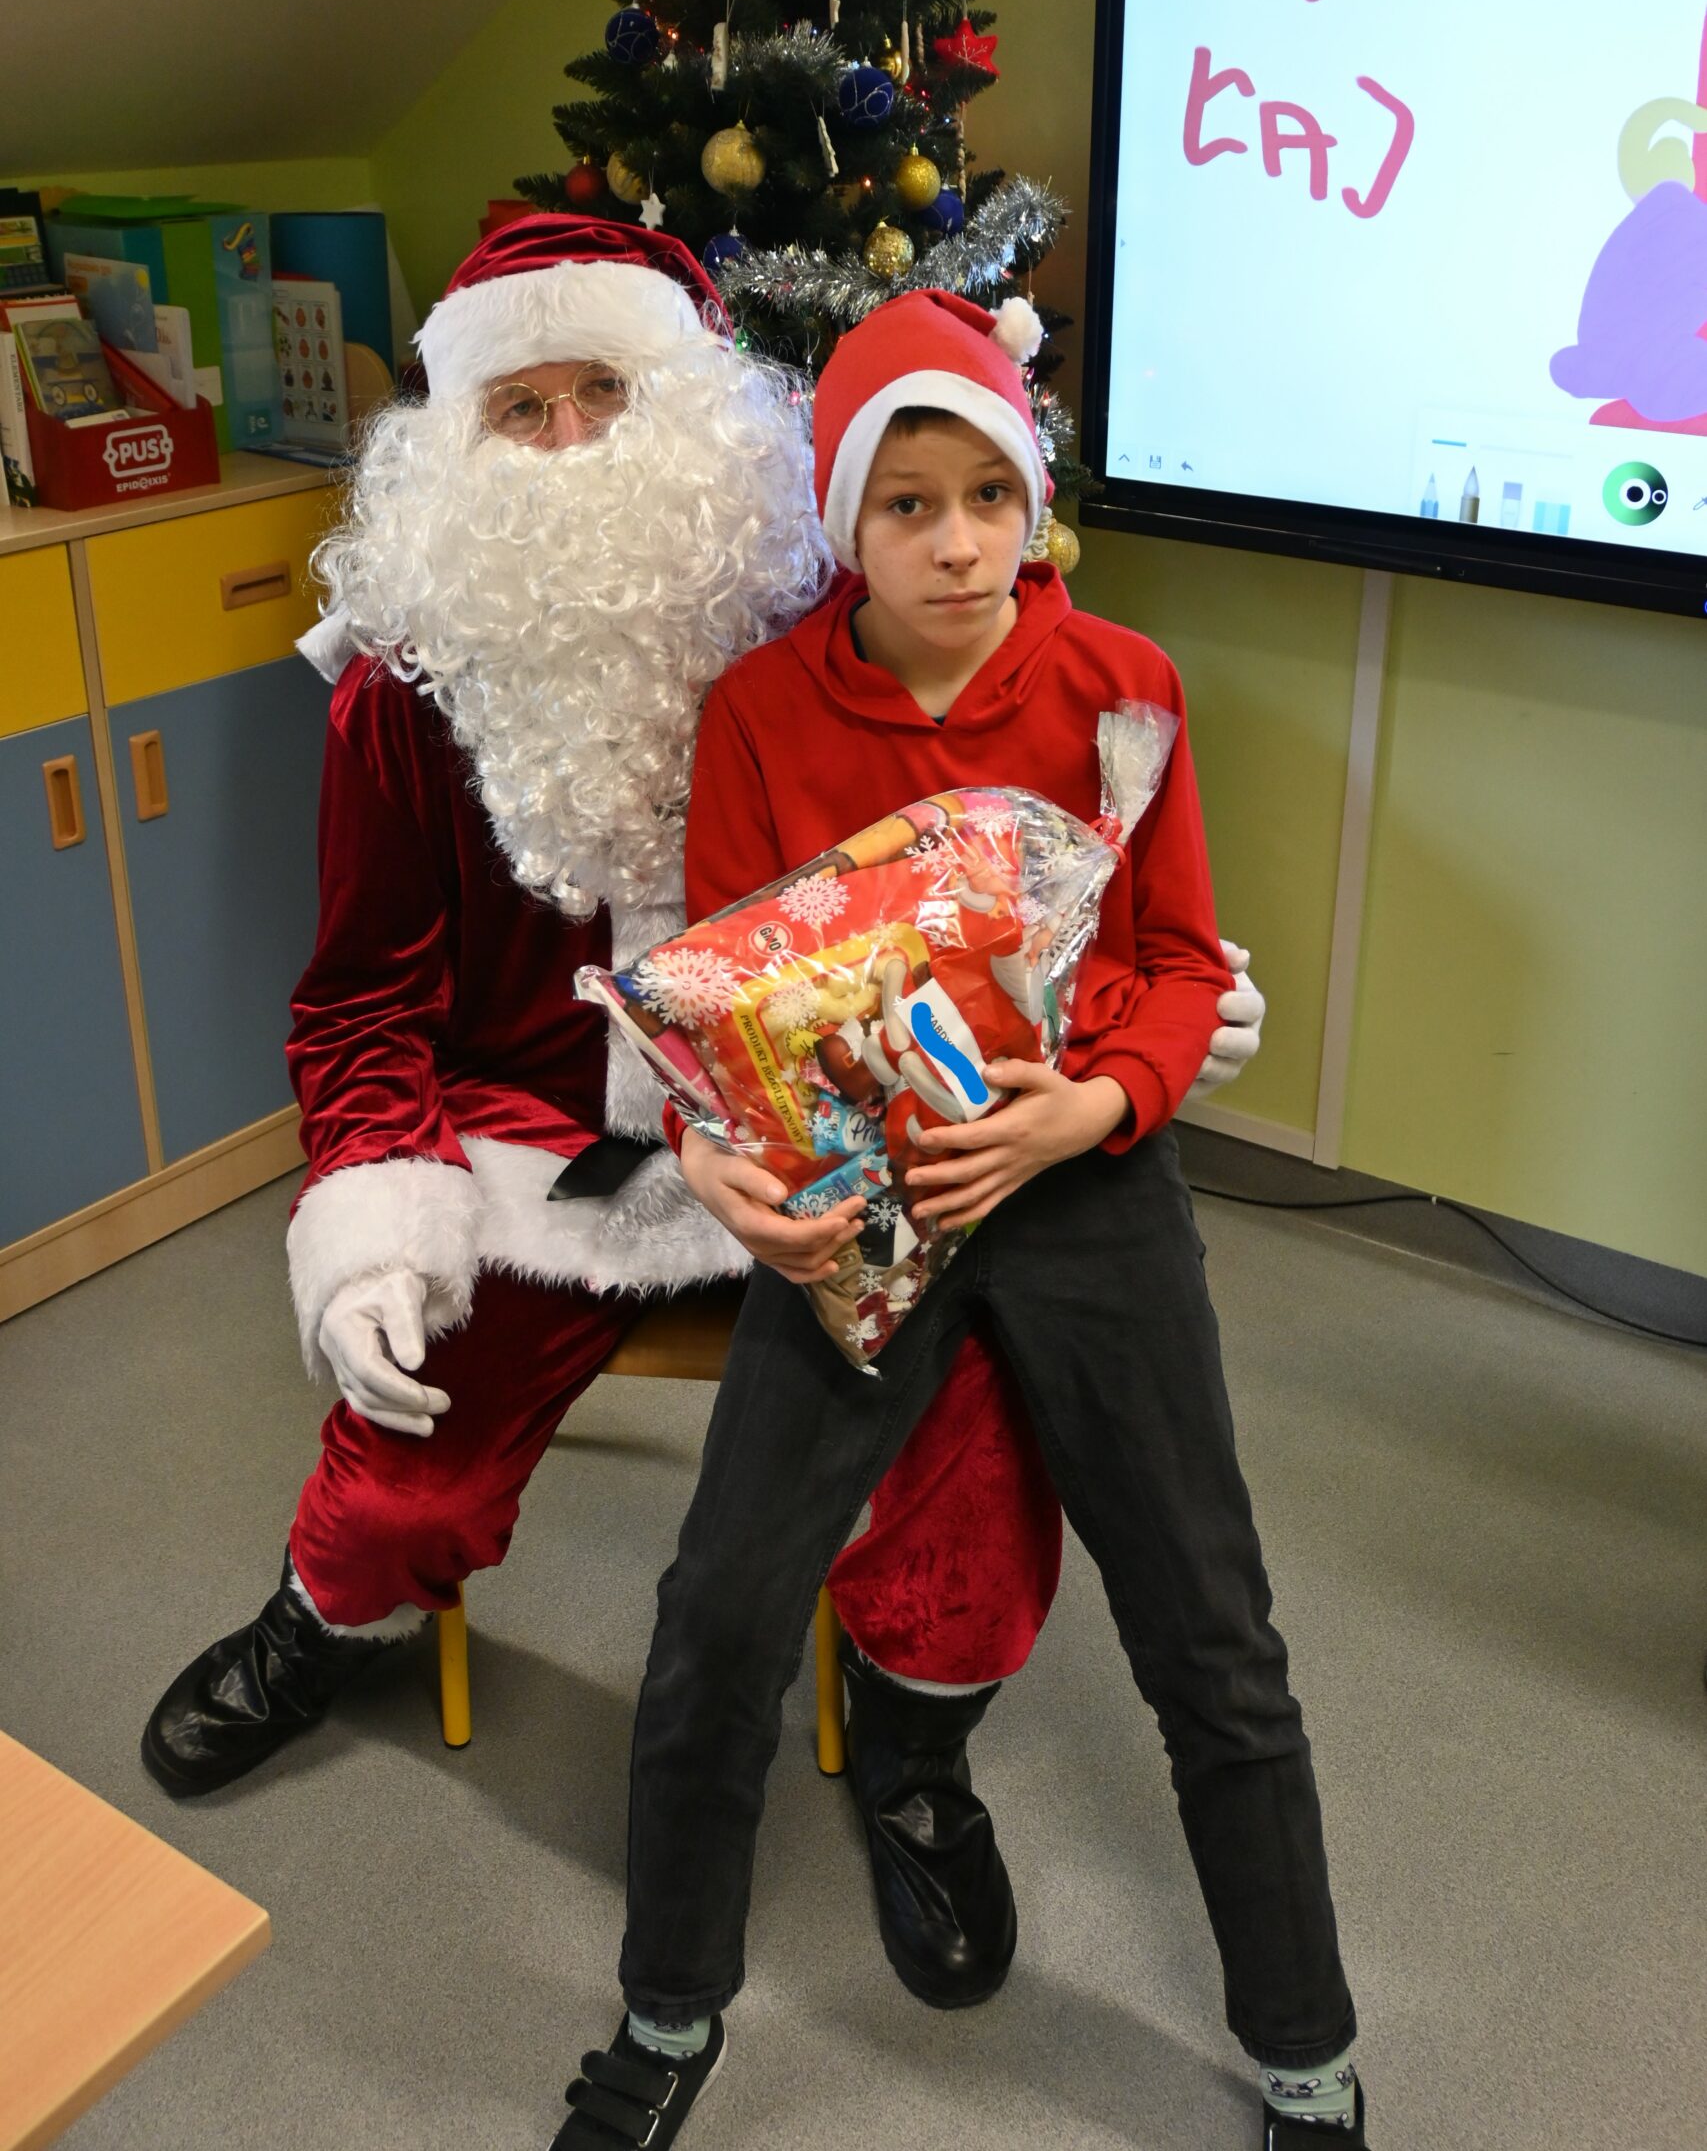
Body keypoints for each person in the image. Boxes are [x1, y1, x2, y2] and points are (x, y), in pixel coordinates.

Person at [140, 212, 1264, 2010]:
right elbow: (360, 997)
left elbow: (1019, 830)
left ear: (695, 415)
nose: (571, 445)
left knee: (977, 1452)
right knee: (408, 1459)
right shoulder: (402, 692)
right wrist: (370, 1210)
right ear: (457, 444)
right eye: (522, 409)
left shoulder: (822, 613)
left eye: (606, 391)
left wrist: (1146, 1011)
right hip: (544, 1155)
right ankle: (322, 1622)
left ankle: (915, 1746)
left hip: (844, 1135)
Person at [551, 289, 1366, 2150]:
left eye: (989, 494)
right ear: (847, 519)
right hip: (857, 1195)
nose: (956, 542)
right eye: (906, 504)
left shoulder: (1124, 686)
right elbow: (725, 1007)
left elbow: (1178, 962)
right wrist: (734, 1177)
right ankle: (667, 2015)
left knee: (1211, 1629)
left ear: (1035, 500)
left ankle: (1308, 2057)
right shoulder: (763, 713)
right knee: (718, 1614)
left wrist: (1091, 1106)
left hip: (1078, 1174)